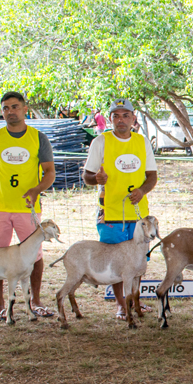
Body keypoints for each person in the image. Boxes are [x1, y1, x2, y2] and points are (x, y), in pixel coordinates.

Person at [0, 91, 57, 321]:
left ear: (24, 109)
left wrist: (36, 189)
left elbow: (50, 172)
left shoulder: (38, 138)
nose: (10, 112)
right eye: (6, 108)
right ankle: (0, 305)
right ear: (2, 112)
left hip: (27, 209)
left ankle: (36, 302)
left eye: (15, 107)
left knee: (35, 255)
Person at [82, 99, 158, 320]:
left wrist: (142, 191)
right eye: (116, 116)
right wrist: (96, 179)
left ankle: (135, 302)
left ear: (134, 118)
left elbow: (152, 176)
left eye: (126, 115)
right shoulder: (101, 142)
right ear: (110, 119)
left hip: (138, 217)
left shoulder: (142, 142)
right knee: (117, 263)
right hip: (111, 215)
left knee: (137, 262)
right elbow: (86, 176)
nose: (121, 120)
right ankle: (121, 305)